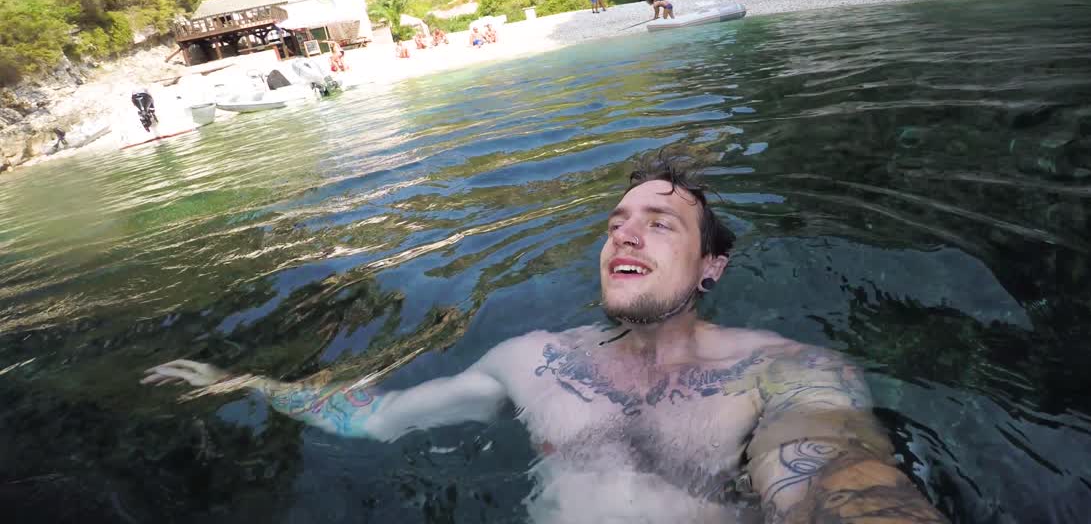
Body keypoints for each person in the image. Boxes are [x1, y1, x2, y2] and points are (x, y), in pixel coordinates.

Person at [142, 150, 947, 524]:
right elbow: (379, 416)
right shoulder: (529, 361)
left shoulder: (784, 372)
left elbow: (835, 476)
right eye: (616, 224)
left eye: (660, 224)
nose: (625, 237)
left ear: (711, 266)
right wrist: (247, 386)